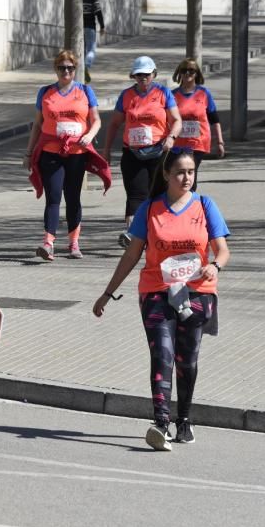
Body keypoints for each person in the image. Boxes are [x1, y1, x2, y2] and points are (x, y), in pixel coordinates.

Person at [92, 149, 230, 451]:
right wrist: (107, 292)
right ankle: (161, 424)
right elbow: (131, 254)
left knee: (187, 360)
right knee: (163, 354)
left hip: (197, 291)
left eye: (191, 172)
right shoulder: (150, 209)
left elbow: (222, 249)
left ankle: (184, 420)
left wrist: (214, 265)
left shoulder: (206, 206)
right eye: (180, 172)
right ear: (166, 174)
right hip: (156, 290)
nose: (186, 178)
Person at [23, 49, 105, 261]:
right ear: (56, 69)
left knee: (73, 197)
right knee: (53, 197)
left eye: (69, 68)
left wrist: (90, 135)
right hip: (51, 151)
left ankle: (74, 243)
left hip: (77, 152)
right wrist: (29, 152)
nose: (65, 72)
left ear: (75, 69)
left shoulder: (85, 91)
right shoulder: (46, 92)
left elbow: (96, 120)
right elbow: (37, 125)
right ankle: (48, 243)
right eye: (61, 68)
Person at [103, 56, 182, 248]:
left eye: (146, 75)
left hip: (158, 152)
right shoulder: (127, 96)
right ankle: (131, 233)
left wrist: (171, 137)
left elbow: (177, 121)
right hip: (133, 153)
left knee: (158, 194)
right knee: (135, 194)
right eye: (139, 75)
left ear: (154, 74)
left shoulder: (164, 93)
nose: (143, 79)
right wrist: (106, 150)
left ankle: (160, 232)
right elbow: (114, 124)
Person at [171, 58, 224, 190]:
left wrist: (220, 143)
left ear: (197, 74)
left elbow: (214, 120)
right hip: (177, 144)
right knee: (180, 175)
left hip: (198, 143)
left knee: (189, 173)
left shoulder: (204, 94)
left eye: (191, 71)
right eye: (184, 70)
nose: (188, 74)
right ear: (179, 73)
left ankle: (190, 204)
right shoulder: (172, 95)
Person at [82, 0, 105, 83]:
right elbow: (98, 12)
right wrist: (102, 26)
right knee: (91, 48)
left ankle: (81, 66)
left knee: (81, 49)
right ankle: (86, 65)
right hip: (90, 27)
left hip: (78, 29)